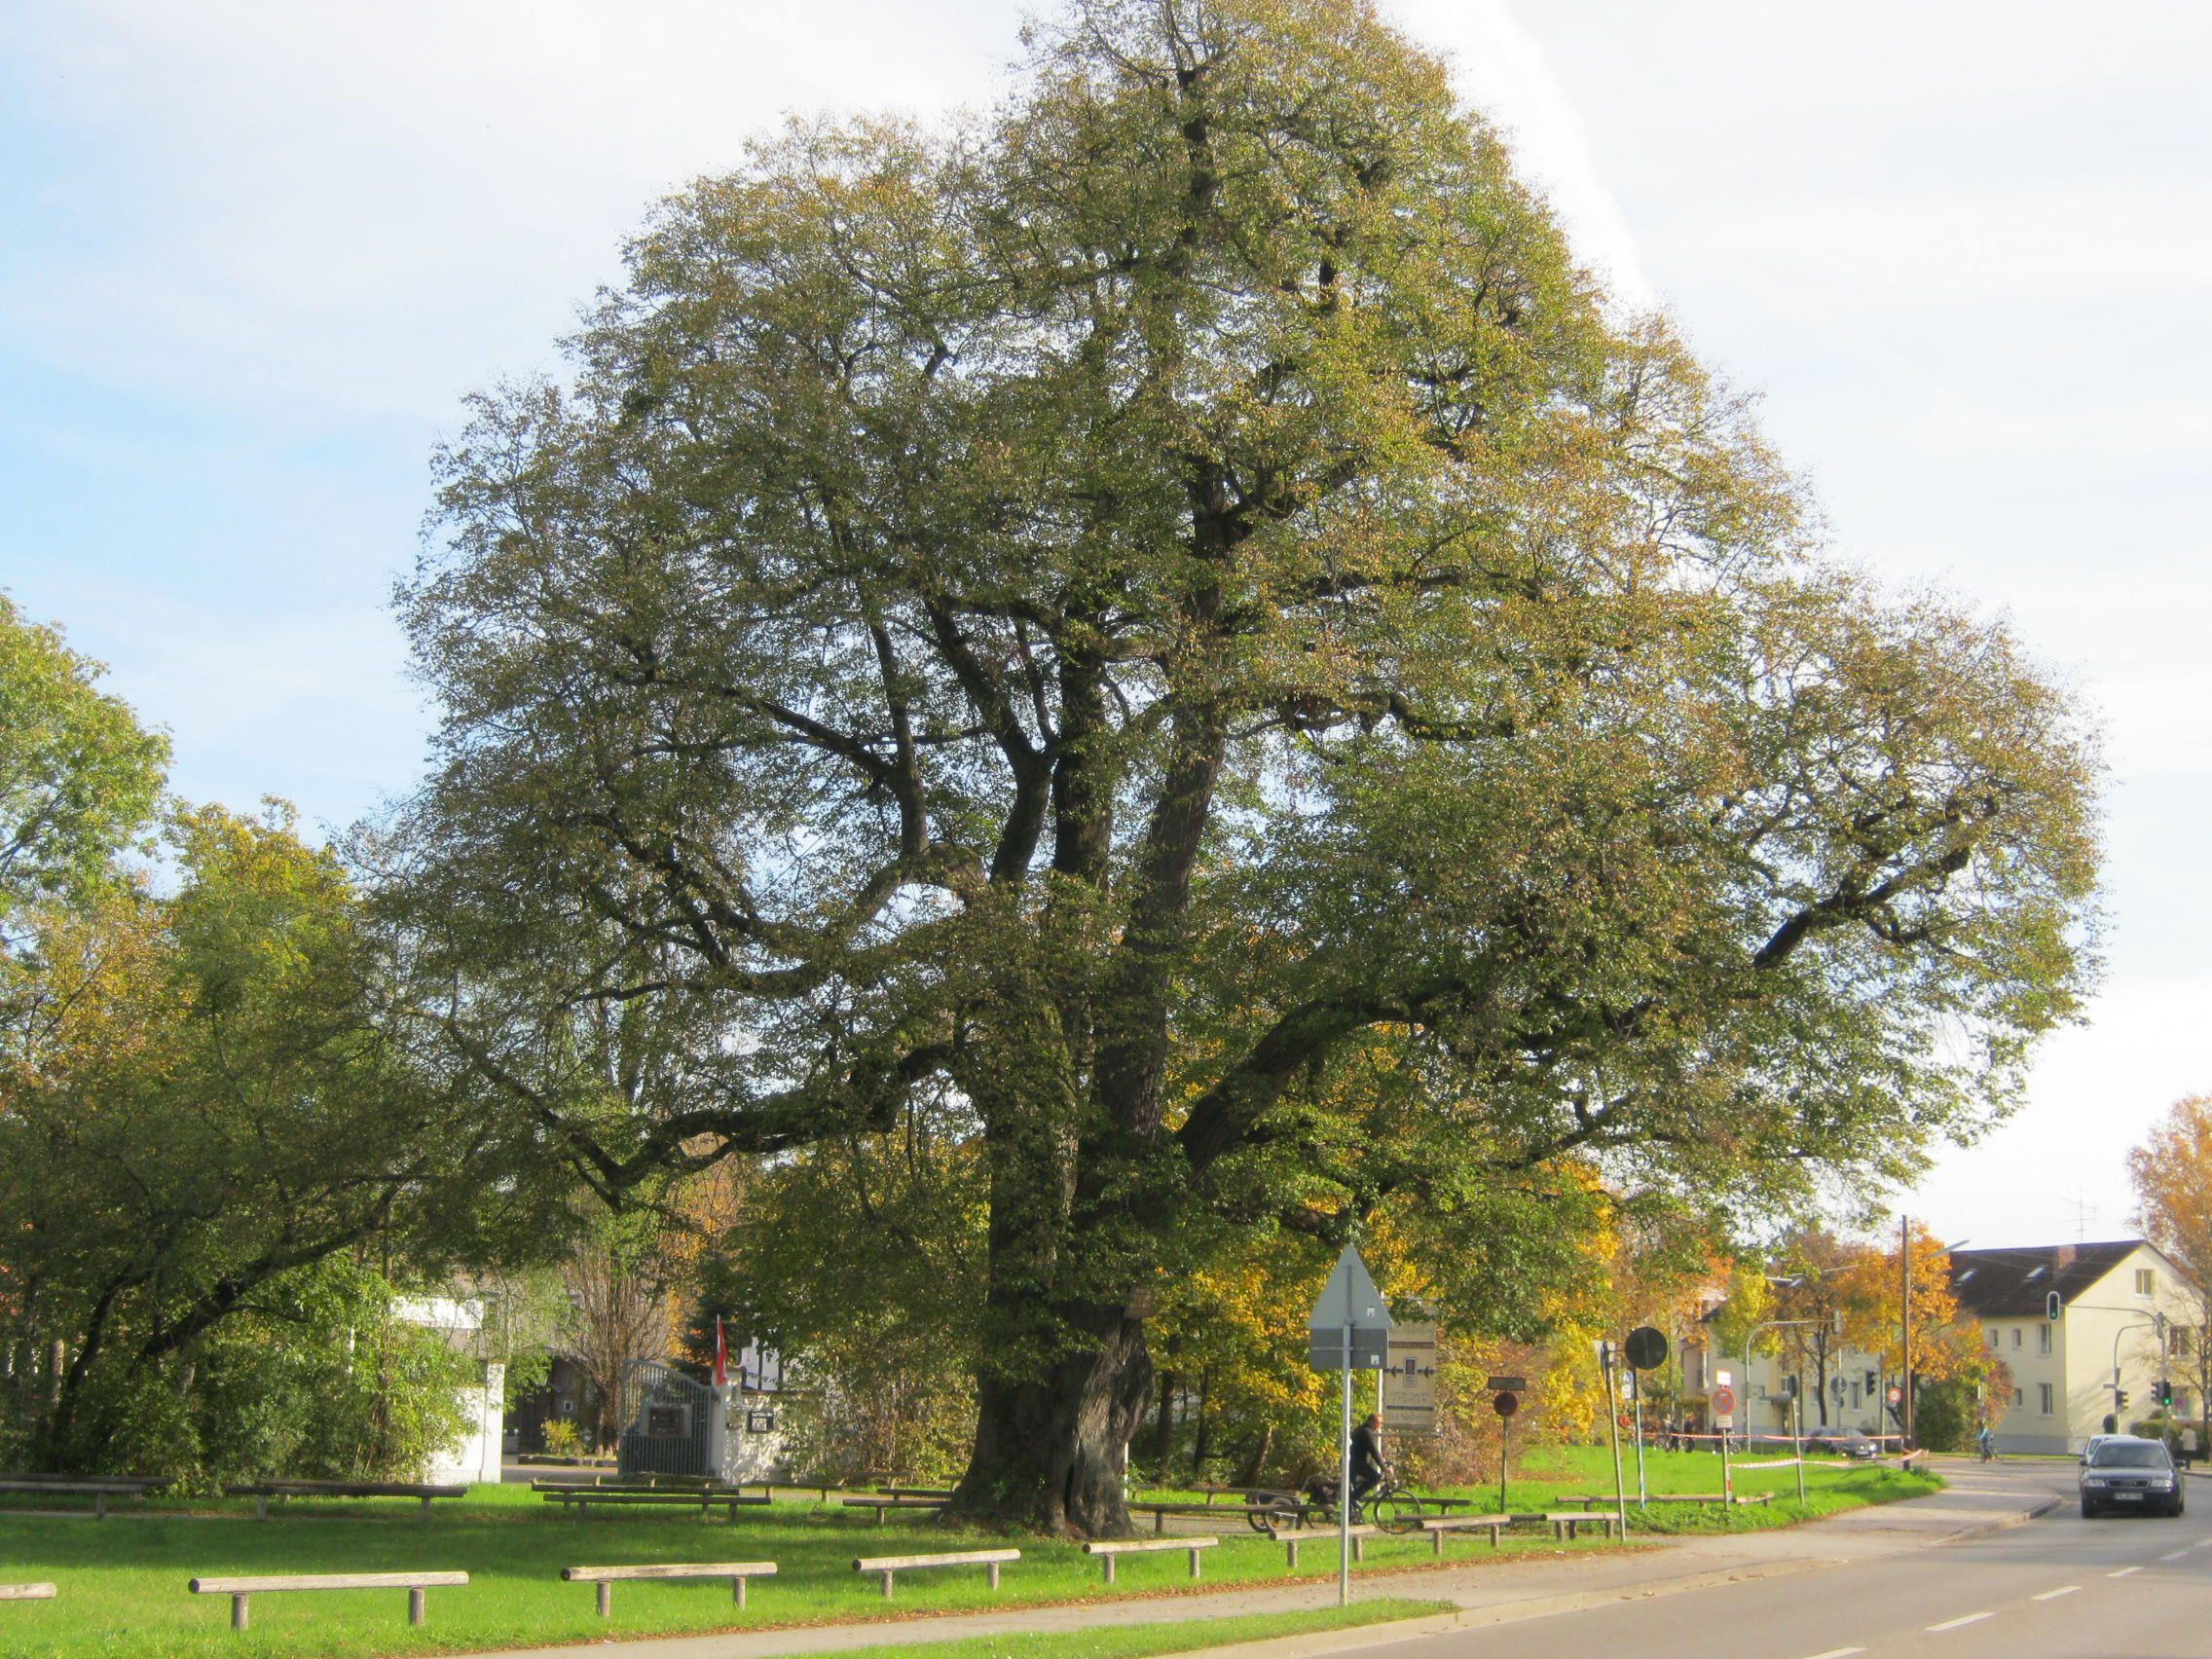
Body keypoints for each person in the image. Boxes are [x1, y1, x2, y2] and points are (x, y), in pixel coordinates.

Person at [1349, 1412, 1386, 1515]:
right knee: (1376, 1477)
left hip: (1356, 1462)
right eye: (1379, 1423)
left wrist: (1383, 1460)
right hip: (1355, 1463)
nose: (1380, 1425)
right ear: (1372, 1421)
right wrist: (1384, 1468)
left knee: (1356, 1487)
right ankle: (1354, 1498)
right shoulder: (1367, 1432)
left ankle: (1353, 1514)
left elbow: (1374, 1451)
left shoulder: (1365, 1430)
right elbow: (1374, 1451)